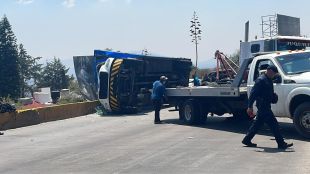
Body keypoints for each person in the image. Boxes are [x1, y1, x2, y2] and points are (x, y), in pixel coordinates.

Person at [242, 65, 293, 149]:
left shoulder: (269, 79)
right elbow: (253, 94)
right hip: (263, 106)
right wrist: (249, 106)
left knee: (257, 124)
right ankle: (281, 143)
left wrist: (273, 97)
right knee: (274, 124)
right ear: (268, 70)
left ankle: (247, 140)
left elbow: (268, 92)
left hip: (266, 105)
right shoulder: (261, 80)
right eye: (273, 73)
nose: (274, 75)